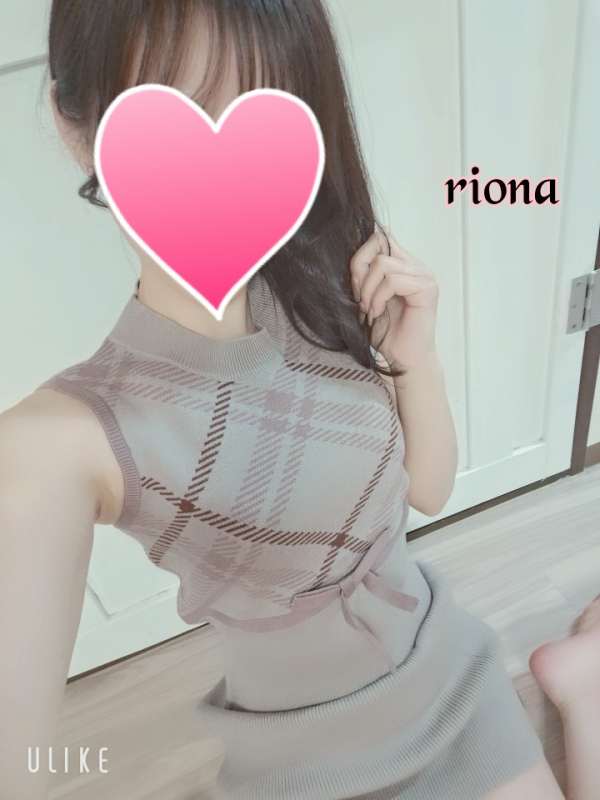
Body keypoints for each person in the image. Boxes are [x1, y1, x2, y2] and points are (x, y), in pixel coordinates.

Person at [1, 1, 598, 798]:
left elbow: (428, 490)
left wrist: (415, 358)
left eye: (263, 112)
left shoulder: (330, 284)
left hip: (447, 670)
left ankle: (581, 686)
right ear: (74, 126)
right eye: (174, 116)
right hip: (303, 758)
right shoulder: (62, 439)